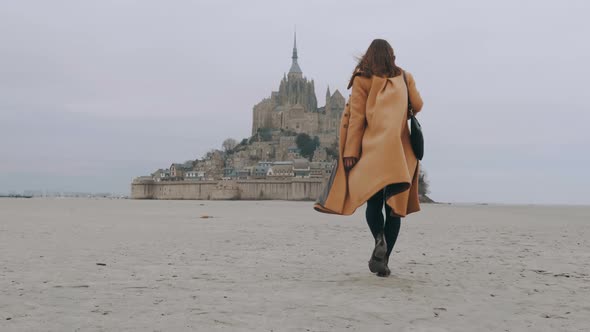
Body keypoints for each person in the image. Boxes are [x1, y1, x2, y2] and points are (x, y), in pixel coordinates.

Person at [313, 38, 423, 277]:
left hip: (372, 151)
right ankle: (382, 260)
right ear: (392, 55)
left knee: (373, 203)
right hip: (400, 154)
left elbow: (356, 118)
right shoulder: (405, 77)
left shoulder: (363, 79)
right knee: (395, 208)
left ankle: (378, 239)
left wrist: (351, 152)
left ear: (368, 56)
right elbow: (418, 105)